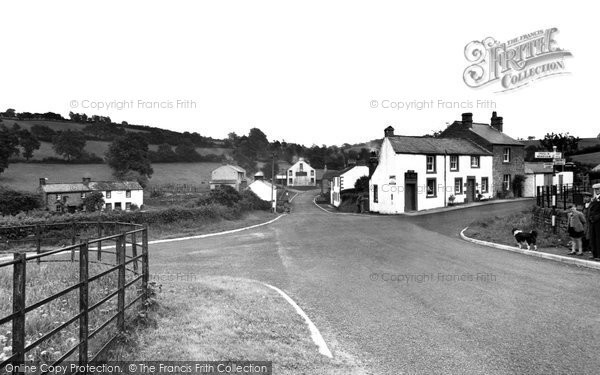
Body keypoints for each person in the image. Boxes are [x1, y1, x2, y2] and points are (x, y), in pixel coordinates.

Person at [588, 184, 600, 260]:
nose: (596, 191)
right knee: (592, 237)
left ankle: (599, 255)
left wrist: (595, 218)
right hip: (592, 221)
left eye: (598, 189)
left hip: (598, 221)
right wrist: (590, 217)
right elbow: (590, 210)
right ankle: (594, 253)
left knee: (598, 238)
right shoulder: (594, 199)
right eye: (595, 189)